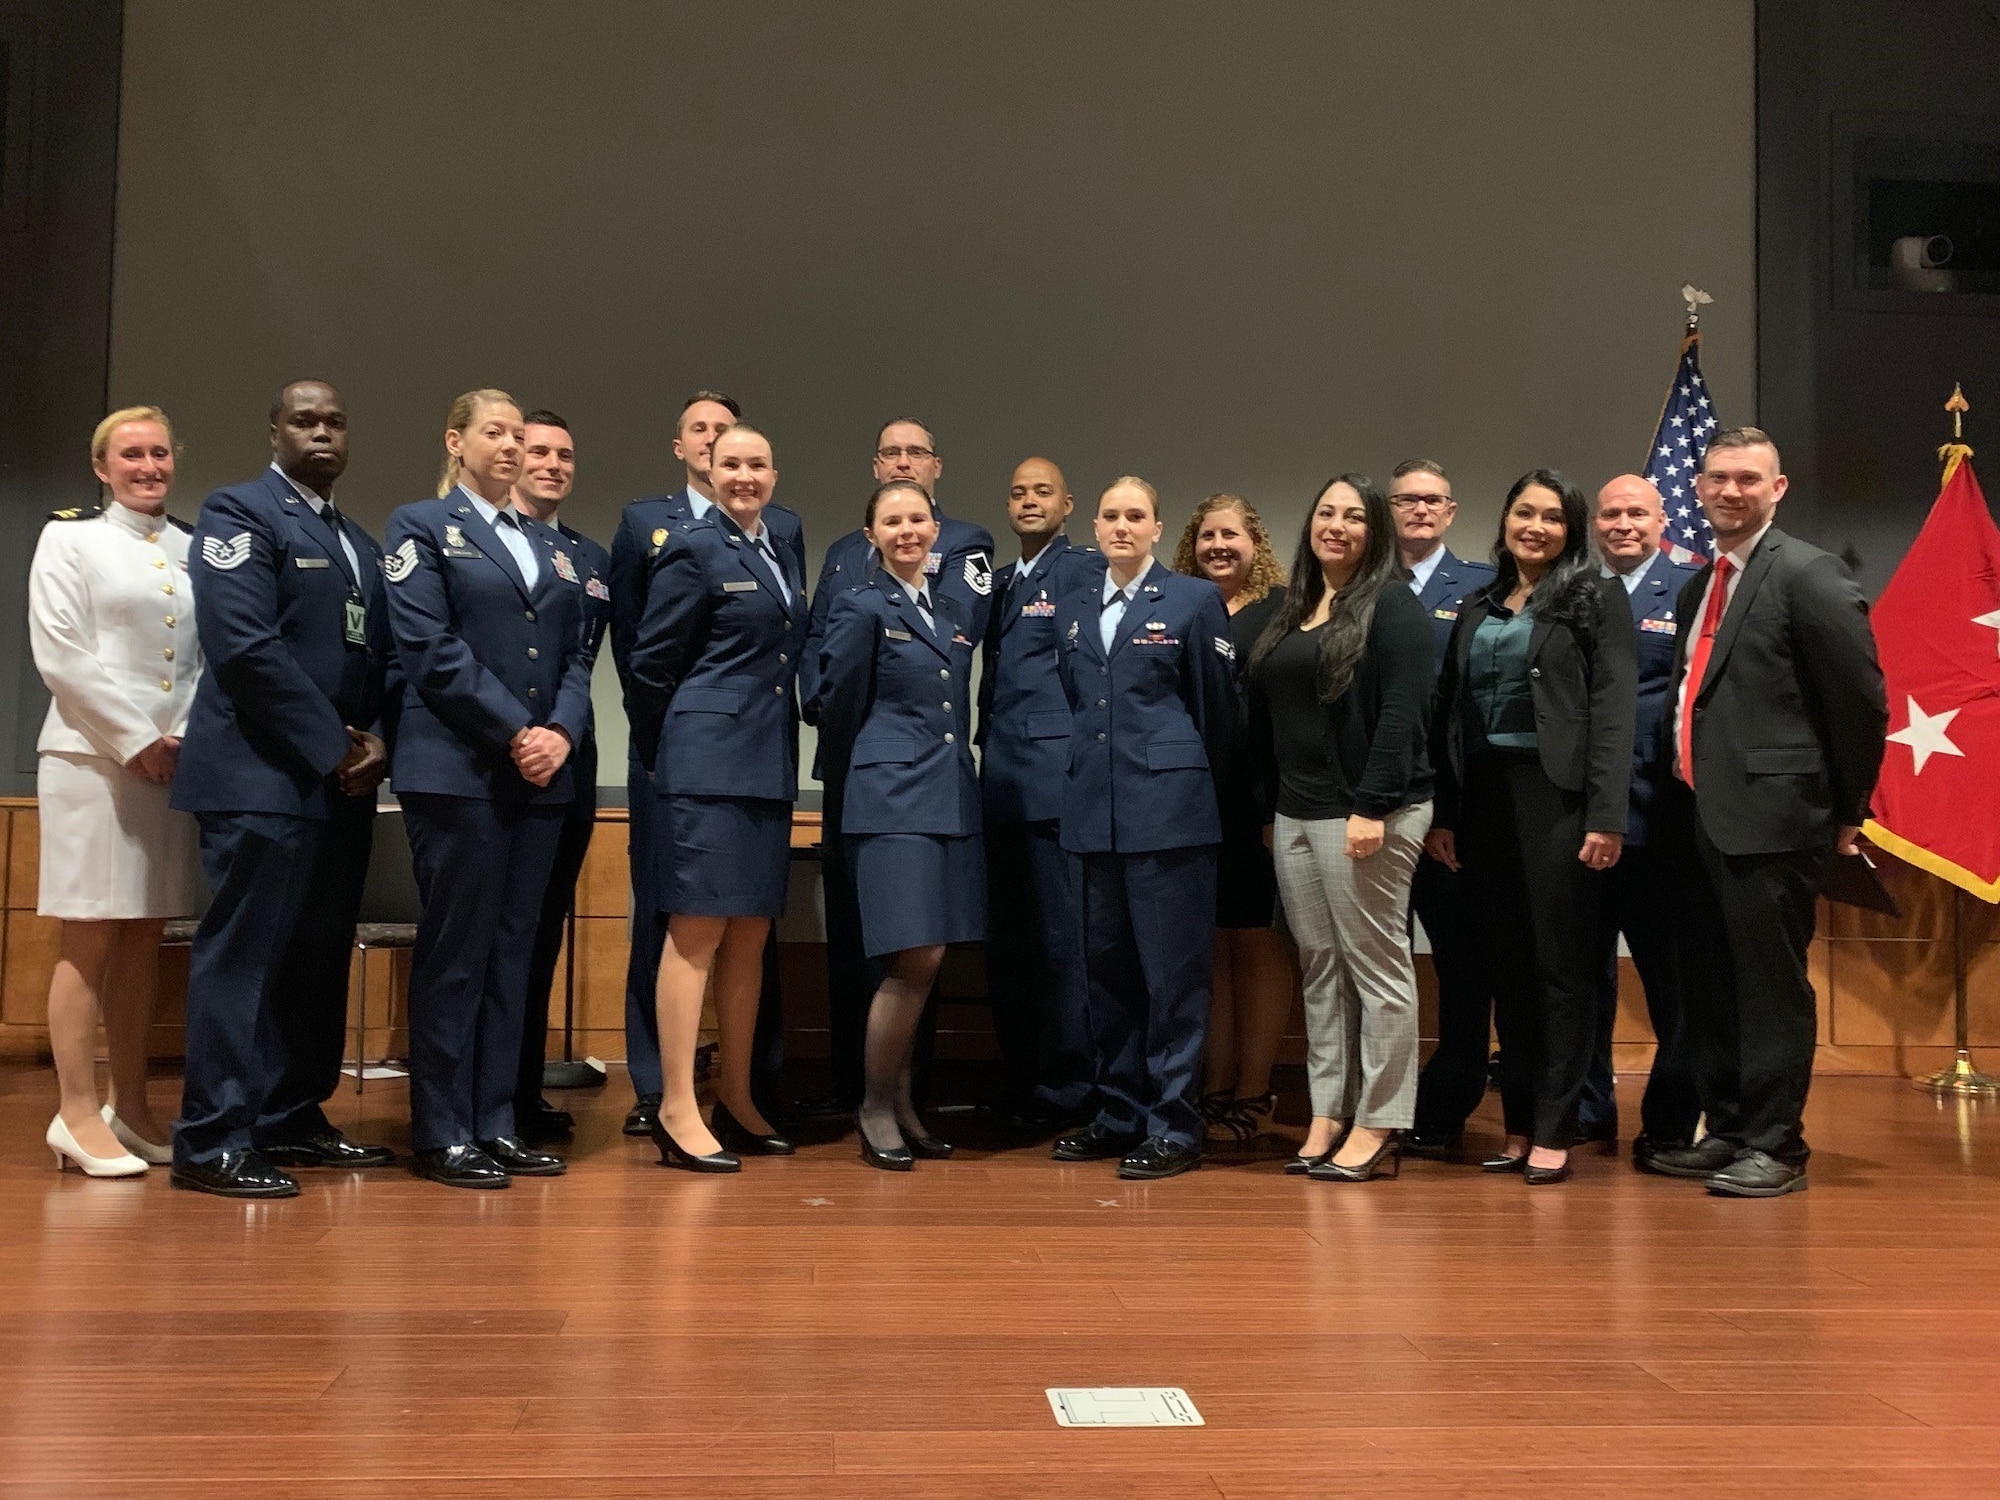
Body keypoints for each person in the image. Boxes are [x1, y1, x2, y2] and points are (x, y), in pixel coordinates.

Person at [169, 380, 397, 1198]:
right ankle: (211, 1138)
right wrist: (332, 744)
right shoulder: (239, 515)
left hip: (338, 787)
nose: (323, 433)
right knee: (244, 959)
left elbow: (382, 660)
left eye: (336, 420)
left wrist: (381, 744)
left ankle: (292, 1115)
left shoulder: (360, 544)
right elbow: (245, 648)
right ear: (275, 432)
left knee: (314, 960)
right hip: (259, 776)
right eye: (305, 421)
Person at [1646, 428, 1886, 1197]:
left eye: (1748, 479)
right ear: (1699, 488)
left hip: (1776, 821)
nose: (1730, 491)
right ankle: (1731, 1131)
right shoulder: (1698, 584)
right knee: (1710, 985)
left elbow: (1858, 702)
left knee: (1768, 988)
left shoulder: (1809, 575)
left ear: (1777, 489)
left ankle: (1777, 1148)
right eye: (1717, 478)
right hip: (1697, 818)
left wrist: (1849, 809)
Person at [383, 389, 595, 1188]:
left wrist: (563, 734)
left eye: (519, 435)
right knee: (458, 954)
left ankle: (496, 1120)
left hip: (540, 774)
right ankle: (442, 1130)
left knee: (514, 955)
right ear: (456, 441)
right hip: (460, 773)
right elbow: (430, 651)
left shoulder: (554, 546)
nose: (511, 447)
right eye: (495, 434)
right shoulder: (422, 527)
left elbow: (578, 654)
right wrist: (517, 731)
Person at [1424, 470, 1636, 1184]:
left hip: (1560, 801)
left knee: (1563, 969)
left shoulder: (1594, 597)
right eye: (1524, 512)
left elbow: (1613, 713)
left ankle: (1557, 1126)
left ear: (1571, 529)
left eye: (1551, 516)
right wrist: (1446, 814)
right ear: (1506, 519)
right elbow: (1452, 711)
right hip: (1483, 801)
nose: (1535, 526)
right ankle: (1518, 1123)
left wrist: (1607, 815)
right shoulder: (1481, 600)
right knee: (1506, 969)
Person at [607, 391, 800, 1138]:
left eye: (757, 465)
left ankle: (740, 1099)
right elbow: (650, 665)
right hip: (707, 763)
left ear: (774, 476)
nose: (744, 477)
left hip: (766, 763)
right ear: (706, 469)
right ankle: (678, 1106)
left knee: (749, 936)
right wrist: (670, 750)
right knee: (695, 934)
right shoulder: (691, 546)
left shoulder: (775, 548)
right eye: (731, 465)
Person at [800, 418, 995, 1116]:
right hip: (890, 797)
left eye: (918, 520)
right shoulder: (859, 605)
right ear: (871, 535)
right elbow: (838, 705)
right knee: (906, 960)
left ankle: (905, 1103)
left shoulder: (943, 612)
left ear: (934, 529)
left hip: (943, 798)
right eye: (894, 521)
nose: (908, 530)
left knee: (929, 959)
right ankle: (876, 1105)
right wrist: (873, 779)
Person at [28, 406, 203, 1177]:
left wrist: (183, 737)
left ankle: (130, 1106)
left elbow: (208, 658)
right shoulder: (70, 538)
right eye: (131, 454)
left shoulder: (193, 547)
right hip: (93, 762)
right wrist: (135, 740)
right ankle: (72, 1111)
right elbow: (62, 653)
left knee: (143, 938)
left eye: (160, 453)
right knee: (91, 934)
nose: (148, 466)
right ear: (102, 467)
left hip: (171, 765)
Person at [1246, 476, 1434, 1182]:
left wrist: (1372, 808)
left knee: (1378, 970)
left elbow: (1401, 717)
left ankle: (1381, 1121)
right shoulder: (1295, 606)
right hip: (1297, 814)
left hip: (1365, 812)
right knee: (1321, 968)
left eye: (1355, 517)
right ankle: (1330, 1109)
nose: (1338, 525)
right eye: (1326, 511)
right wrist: (1273, 811)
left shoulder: (1393, 607)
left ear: (1375, 531)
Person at [1051, 477, 1238, 1180]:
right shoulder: (1072, 609)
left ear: (1158, 528)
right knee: (1106, 977)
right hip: (1093, 814)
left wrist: (1187, 787)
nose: (1121, 526)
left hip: (1170, 817)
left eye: (1136, 516)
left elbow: (1217, 712)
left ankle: (1174, 1126)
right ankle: (1118, 1112)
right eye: (1111, 516)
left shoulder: (1192, 600)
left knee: (1173, 979)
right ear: (1095, 526)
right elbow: (1081, 703)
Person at [1577, 475, 1703, 1163]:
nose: (1623, 524)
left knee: (1670, 978)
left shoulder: (1688, 589)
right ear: (1595, 524)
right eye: (1611, 514)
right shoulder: (1579, 594)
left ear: (1662, 521)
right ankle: (1590, 1109)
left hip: (1660, 819)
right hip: (1582, 820)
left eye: (1637, 513)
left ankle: (1671, 1121)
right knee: (1583, 974)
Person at [977, 457, 1103, 1134]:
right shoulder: (999, 583)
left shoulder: (1078, 570)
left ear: (1067, 504)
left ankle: (1069, 1090)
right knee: (1011, 949)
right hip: (999, 785)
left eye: (1043, 492)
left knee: (1062, 946)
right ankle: (1022, 1081)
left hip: (1054, 786)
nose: (1029, 501)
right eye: (1019, 491)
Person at [1170, 493, 1298, 1145]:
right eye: (1207, 535)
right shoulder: (1179, 607)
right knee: (1210, 943)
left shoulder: (1283, 610)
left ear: (1256, 542)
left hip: (1262, 800)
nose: (1219, 545)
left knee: (1258, 942)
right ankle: (1214, 1086)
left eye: (1232, 534)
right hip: (1195, 798)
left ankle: (1255, 1089)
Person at [1392, 458, 1498, 1163]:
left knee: (1463, 966)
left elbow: (1473, 715)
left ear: (1452, 511)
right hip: (1371, 812)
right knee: (1376, 965)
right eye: (1407, 500)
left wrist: (1449, 813)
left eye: (1433, 500)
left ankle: (1449, 1099)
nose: (1420, 511)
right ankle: (1381, 1103)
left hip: (1446, 817)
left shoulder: (1482, 592)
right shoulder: (1362, 588)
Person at [510, 410, 610, 1144]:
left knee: (542, 934)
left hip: (573, 759)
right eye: (538, 451)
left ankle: (521, 1087)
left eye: (563, 454)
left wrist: (565, 734)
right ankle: (490, 1096)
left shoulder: (591, 556)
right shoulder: (488, 542)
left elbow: (588, 657)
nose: (551, 463)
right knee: (501, 938)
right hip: (503, 758)